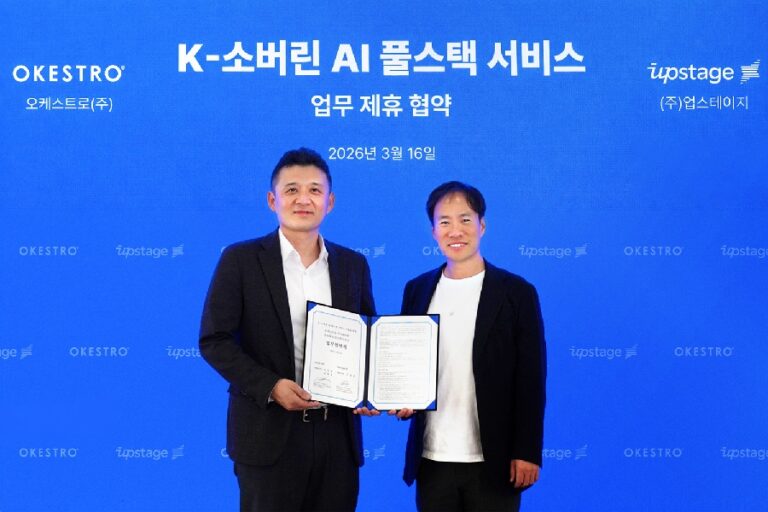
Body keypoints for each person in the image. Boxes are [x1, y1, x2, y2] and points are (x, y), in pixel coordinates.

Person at [199, 147, 375, 512]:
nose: (303, 199)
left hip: (337, 437)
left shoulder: (353, 265)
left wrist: (370, 391)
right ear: (272, 200)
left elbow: (367, 339)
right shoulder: (241, 260)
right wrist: (271, 386)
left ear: (330, 202)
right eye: (291, 190)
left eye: (315, 190)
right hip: (267, 435)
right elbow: (215, 340)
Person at [395, 181, 547, 512]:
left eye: (465, 219)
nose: (455, 230)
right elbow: (407, 363)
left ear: (482, 225)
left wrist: (527, 451)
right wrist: (399, 398)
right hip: (432, 457)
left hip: (495, 459)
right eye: (444, 221)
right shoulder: (417, 290)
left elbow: (531, 379)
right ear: (433, 231)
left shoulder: (516, 292)